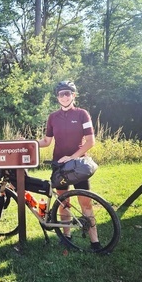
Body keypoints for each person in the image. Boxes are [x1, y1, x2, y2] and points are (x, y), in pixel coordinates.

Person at [38, 80, 101, 250]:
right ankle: (66, 236)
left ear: (73, 95)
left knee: (86, 203)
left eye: (68, 93)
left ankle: (95, 241)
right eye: (61, 94)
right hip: (60, 167)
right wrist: (29, 143)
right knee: (63, 202)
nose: (64, 97)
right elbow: (46, 141)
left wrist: (72, 157)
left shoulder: (82, 114)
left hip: (78, 166)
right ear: (57, 97)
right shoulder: (53, 117)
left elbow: (90, 141)